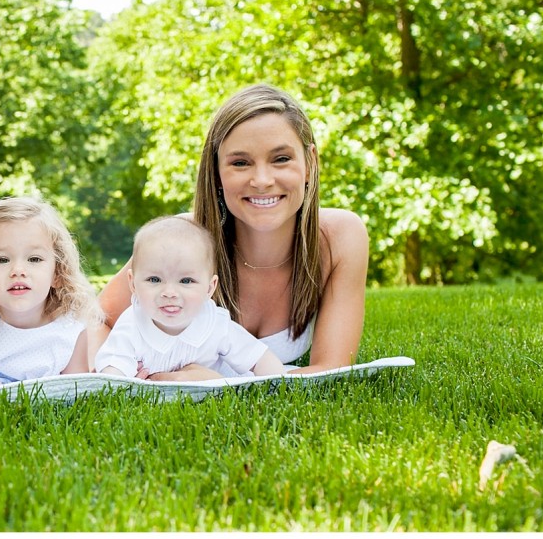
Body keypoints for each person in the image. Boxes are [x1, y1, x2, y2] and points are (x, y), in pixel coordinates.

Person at [98, 84, 368, 375]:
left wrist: (216, 384)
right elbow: (97, 320)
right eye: (240, 163)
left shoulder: (340, 236)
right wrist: (134, 380)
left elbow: (331, 370)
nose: (262, 180)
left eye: (281, 159)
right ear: (215, 173)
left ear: (310, 163)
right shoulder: (182, 240)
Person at [94, 216, 286, 379]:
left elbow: (260, 358)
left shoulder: (215, 323)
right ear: (133, 284)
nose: (169, 292)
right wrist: (122, 381)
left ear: (210, 288)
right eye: (154, 279)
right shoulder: (132, 324)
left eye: (186, 281)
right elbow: (113, 372)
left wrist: (277, 386)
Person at [0, 197, 104, 383]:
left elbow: (77, 392)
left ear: (57, 274)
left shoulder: (70, 328)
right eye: (2, 260)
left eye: (34, 259)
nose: (18, 271)